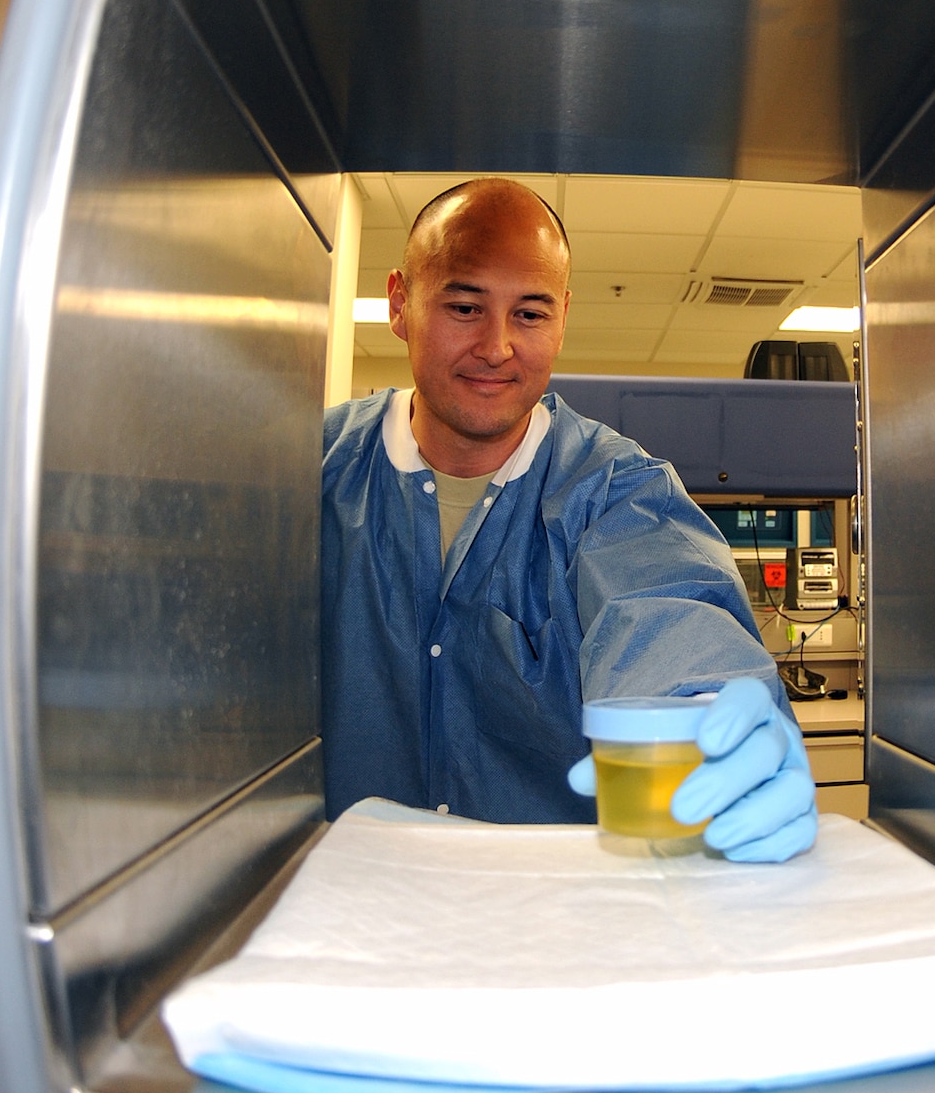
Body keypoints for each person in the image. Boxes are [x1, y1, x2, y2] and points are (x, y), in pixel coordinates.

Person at [321, 176, 816, 862]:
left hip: (553, 916)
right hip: (338, 905)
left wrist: (704, 711)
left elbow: (666, 608)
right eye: (464, 307)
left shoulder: (615, 489)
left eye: (530, 313)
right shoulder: (307, 472)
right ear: (400, 304)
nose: (496, 346)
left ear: (562, 316)